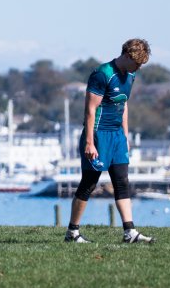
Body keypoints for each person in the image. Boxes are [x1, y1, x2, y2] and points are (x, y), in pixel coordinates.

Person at [65, 38, 155, 244]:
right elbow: (90, 109)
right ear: (126, 56)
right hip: (98, 134)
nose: (139, 68)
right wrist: (89, 142)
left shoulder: (130, 75)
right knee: (89, 182)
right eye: (137, 63)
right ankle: (72, 232)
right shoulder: (102, 74)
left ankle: (129, 232)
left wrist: (125, 134)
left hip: (117, 136)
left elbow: (123, 104)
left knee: (122, 181)